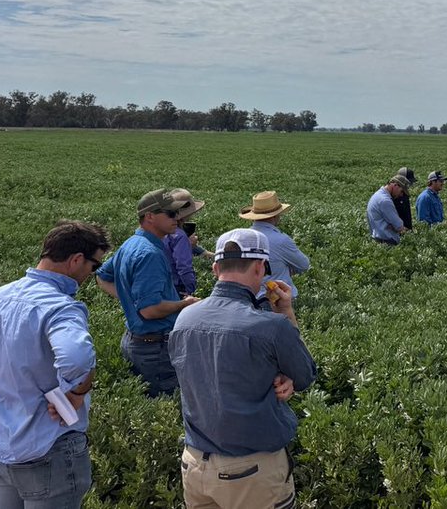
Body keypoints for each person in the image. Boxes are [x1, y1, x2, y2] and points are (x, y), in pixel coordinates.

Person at [169, 229, 316, 509]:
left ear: (215, 268)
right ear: (261, 268)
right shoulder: (271, 326)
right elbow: (305, 374)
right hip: (251, 470)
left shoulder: (184, 318)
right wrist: (286, 312)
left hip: (195, 464)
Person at [0, 221, 110, 509]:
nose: (92, 274)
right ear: (76, 260)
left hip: (2, 447)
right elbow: (76, 359)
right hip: (49, 448)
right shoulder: (60, 307)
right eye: (94, 266)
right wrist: (77, 391)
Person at [96, 188, 201, 397]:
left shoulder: (132, 243)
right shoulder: (150, 253)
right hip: (155, 349)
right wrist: (186, 304)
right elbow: (150, 310)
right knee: (167, 404)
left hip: (136, 341)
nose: (177, 218)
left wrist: (129, 299)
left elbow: (101, 276)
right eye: (171, 214)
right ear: (150, 217)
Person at [242, 191, 310, 298]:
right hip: (277, 300)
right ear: (275, 216)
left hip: (248, 299)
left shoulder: (241, 237)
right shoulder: (281, 240)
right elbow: (304, 265)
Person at [162, 188, 206, 297]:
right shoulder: (180, 236)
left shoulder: (161, 230)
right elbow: (184, 267)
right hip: (177, 288)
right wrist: (191, 290)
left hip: (161, 284)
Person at [367, 176, 410, 245]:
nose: (401, 195)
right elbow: (399, 226)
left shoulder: (377, 195)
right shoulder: (385, 201)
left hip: (378, 240)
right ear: (395, 185)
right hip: (388, 242)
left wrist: (393, 226)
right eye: (401, 191)